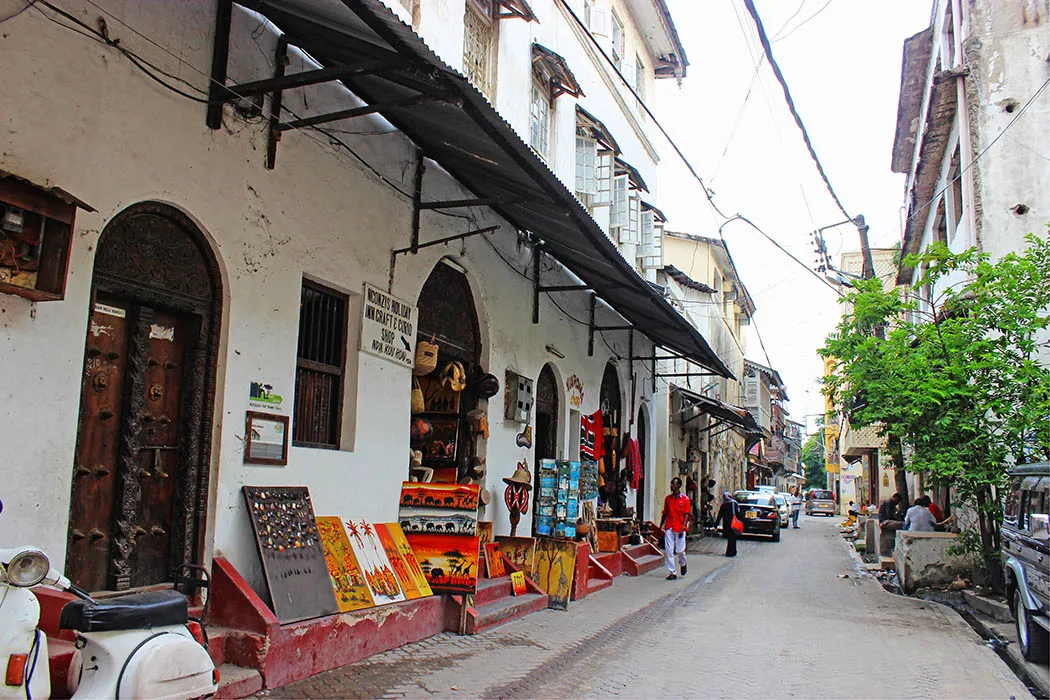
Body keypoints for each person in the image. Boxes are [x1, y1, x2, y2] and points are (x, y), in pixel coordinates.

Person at [659, 477, 691, 580]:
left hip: (680, 527)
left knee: (680, 550)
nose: (671, 486)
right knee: (669, 550)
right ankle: (672, 571)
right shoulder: (668, 499)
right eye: (671, 483)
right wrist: (661, 526)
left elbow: (687, 515)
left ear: (678, 486)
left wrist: (683, 527)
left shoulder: (685, 499)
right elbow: (665, 513)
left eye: (673, 484)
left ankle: (683, 563)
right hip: (669, 526)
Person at [715, 491, 739, 557]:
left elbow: (720, 515)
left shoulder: (724, 505)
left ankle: (729, 552)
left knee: (729, 537)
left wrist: (716, 525)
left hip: (727, 523)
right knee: (733, 537)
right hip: (734, 523)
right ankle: (733, 551)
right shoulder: (735, 503)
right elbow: (738, 514)